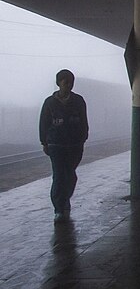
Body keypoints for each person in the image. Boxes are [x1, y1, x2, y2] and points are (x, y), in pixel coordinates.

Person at [39, 69, 89, 223]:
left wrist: (82, 138)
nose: (69, 85)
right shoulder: (49, 103)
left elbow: (84, 121)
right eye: (65, 82)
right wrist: (44, 142)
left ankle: (64, 200)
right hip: (56, 145)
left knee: (70, 175)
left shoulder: (78, 101)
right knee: (60, 175)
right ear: (58, 83)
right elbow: (43, 123)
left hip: (74, 145)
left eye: (71, 82)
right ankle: (59, 208)